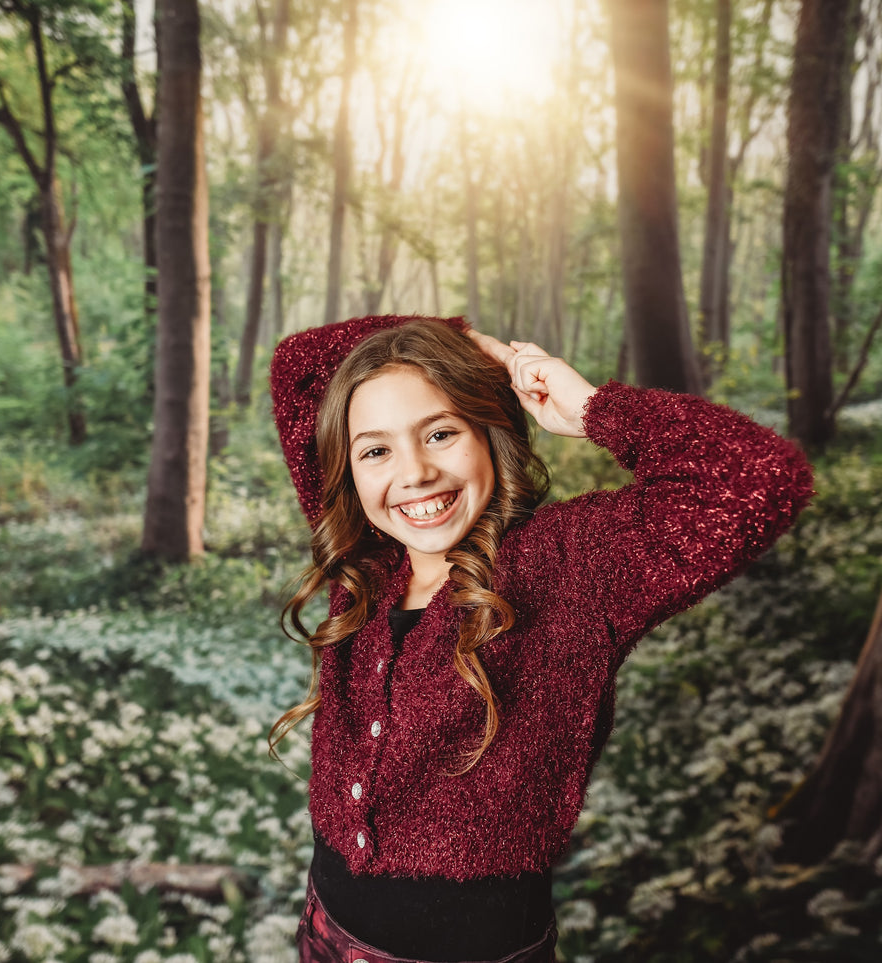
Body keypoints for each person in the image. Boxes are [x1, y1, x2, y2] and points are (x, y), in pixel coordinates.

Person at [269, 315, 814, 963]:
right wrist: (460, 339)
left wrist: (585, 406)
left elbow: (759, 477)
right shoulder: (366, 559)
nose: (413, 472)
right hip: (324, 930)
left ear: (489, 431)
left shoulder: (571, 561)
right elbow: (296, 365)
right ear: (348, 470)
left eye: (440, 432)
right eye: (375, 450)